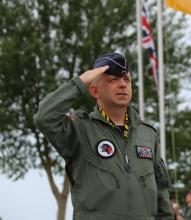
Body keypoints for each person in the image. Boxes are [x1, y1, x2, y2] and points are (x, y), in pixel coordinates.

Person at [34, 52, 173, 220]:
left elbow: (161, 195)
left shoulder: (148, 133)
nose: (122, 84)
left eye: (126, 79)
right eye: (113, 79)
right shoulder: (80, 129)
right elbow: (44, 117)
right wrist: (80, 82)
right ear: (94, 90)